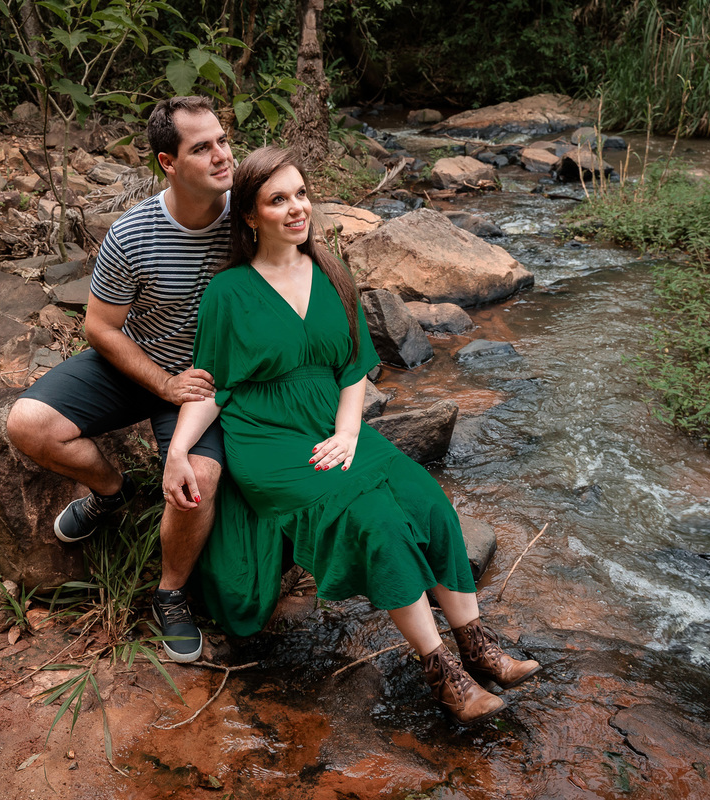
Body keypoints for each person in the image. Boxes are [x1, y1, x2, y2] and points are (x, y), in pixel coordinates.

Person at [161, 146, 540, 724]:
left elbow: (353, 369)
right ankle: (443, 673)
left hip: (332, 427)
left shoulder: (334, 271)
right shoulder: (228, 293)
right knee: (375, 521)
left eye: (301, 194)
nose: (296, 209)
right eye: (278, 199)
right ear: (249, 215)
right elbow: (213, 387)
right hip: (267, 441)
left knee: (427, 500)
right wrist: (179, 451)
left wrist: (348, 432)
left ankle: (477, 643)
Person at [6, 96, 234, 663]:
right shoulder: (134, 233)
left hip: (203, 382)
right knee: (26, 424)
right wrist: (161, 383)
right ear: (168, 163)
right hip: (135, 363)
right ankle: (111, 492)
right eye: (201, 147)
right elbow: (99, 326)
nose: (220, 155)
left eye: (223, 140)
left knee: (195, 480)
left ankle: (170, 593)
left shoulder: (246, 221)